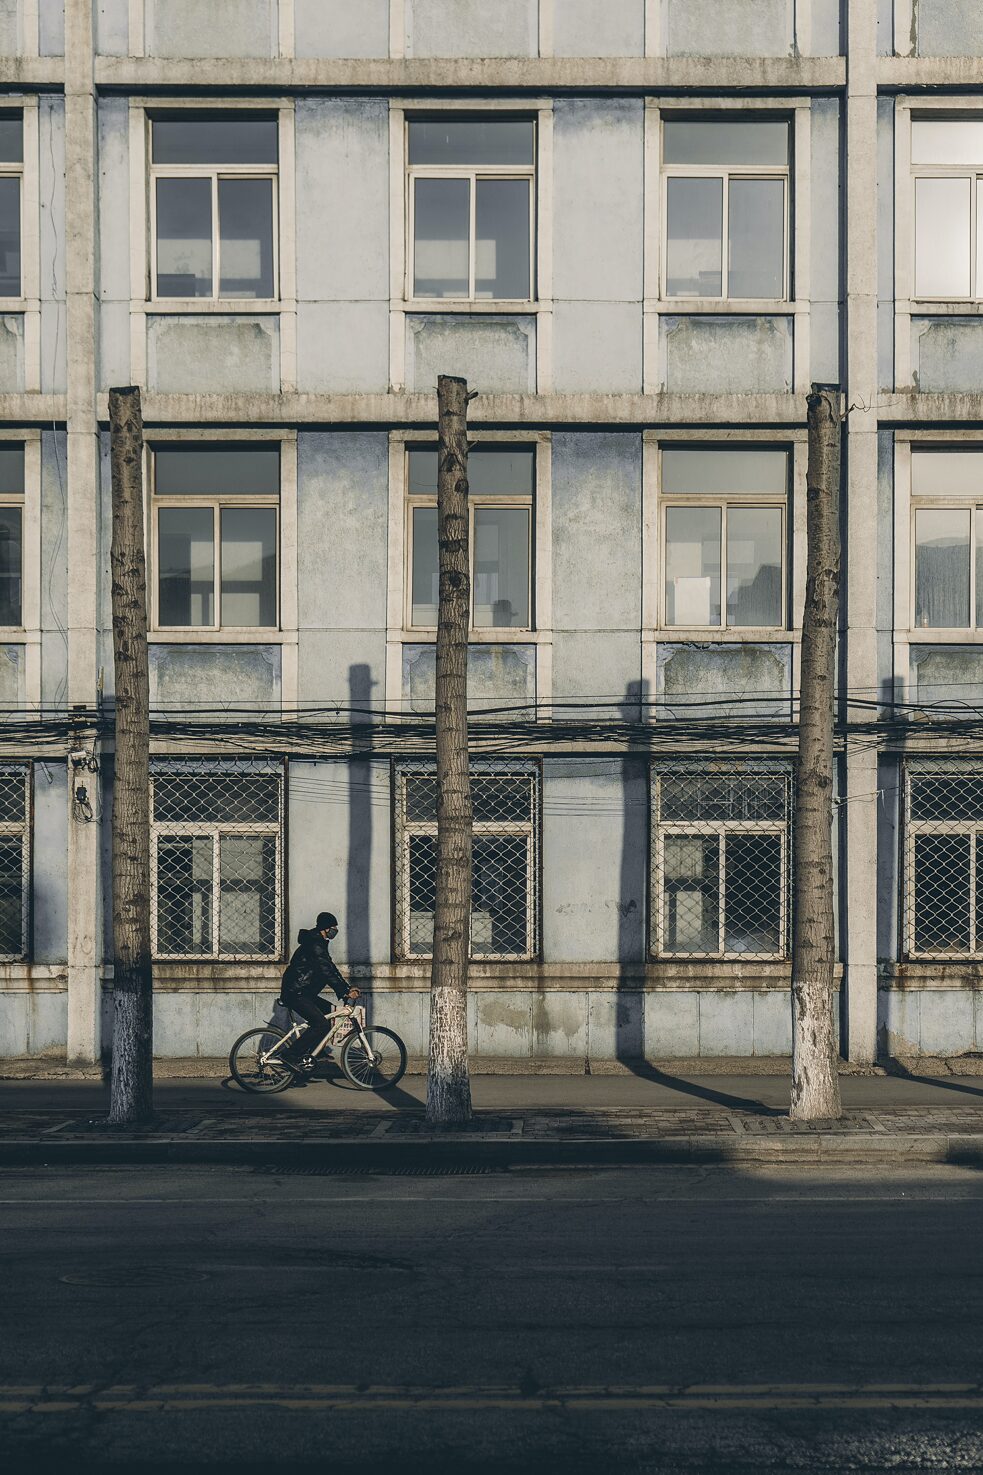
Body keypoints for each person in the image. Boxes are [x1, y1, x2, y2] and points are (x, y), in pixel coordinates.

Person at [280, 911, 359, 1072]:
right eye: (333, 927)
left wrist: (346, 988)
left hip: (303, 992)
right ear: (326, 928)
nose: (335, 930)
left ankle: (314, 1050)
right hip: (296, 993)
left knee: (327, 1011)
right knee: (321, 1024)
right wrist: (345, 992)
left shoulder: (318, 942)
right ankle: (290, 1055)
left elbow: (330, 967)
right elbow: (325, 971)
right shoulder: (315, 944)